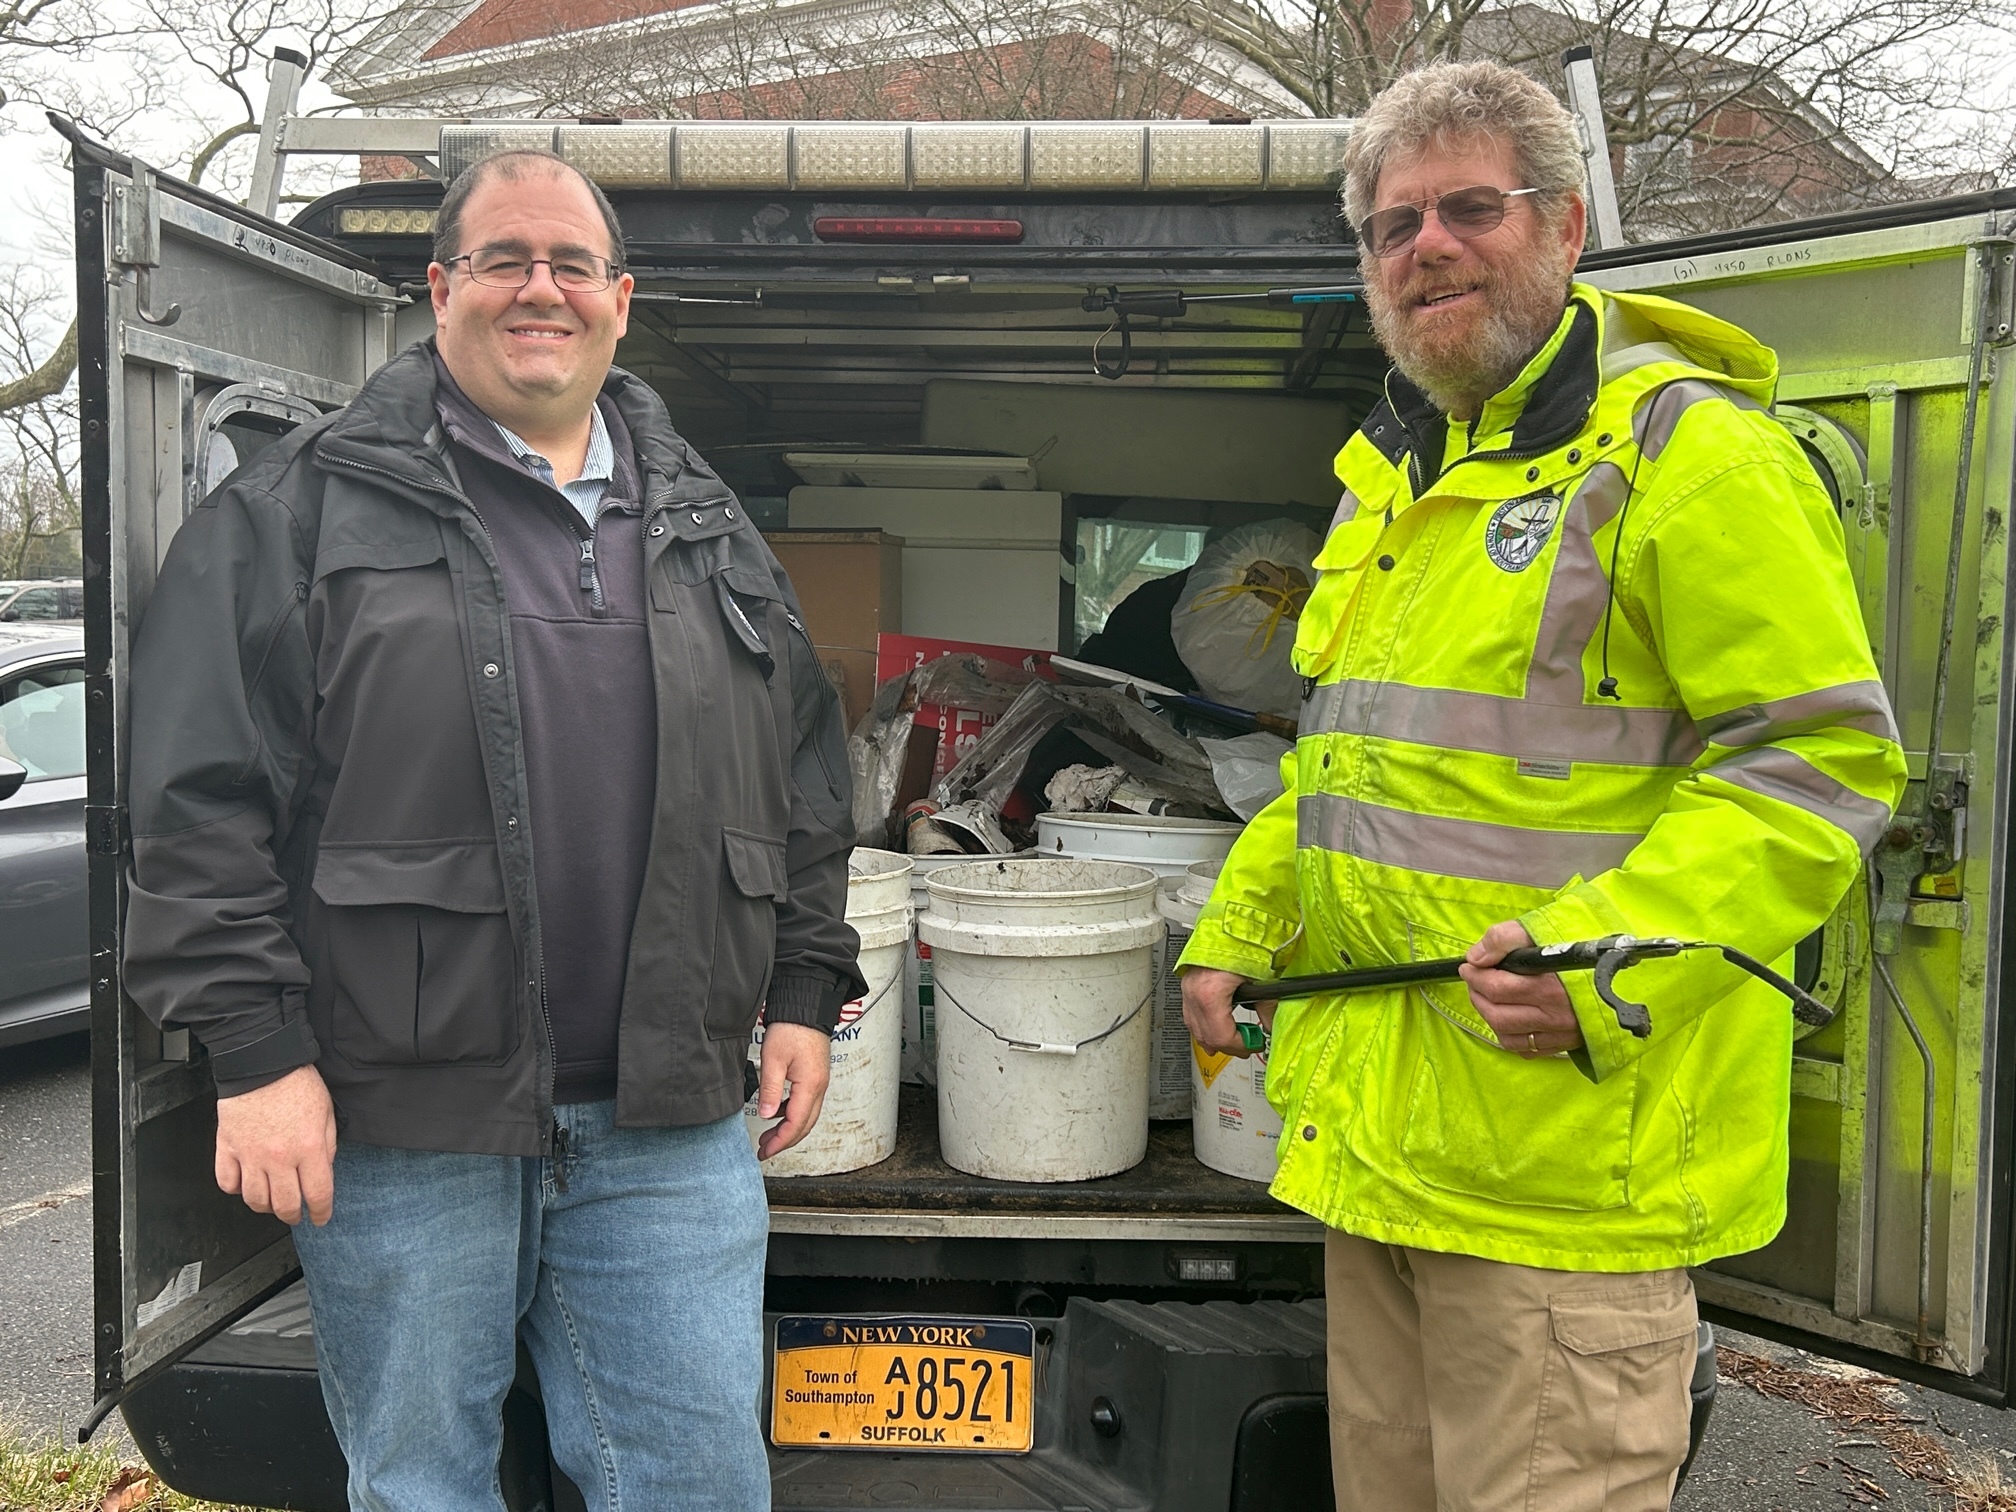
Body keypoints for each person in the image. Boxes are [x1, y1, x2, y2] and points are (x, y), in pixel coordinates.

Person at [1180, 61, 1906, 1511]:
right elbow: (1346, 767)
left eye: (1468, 208)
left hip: (1563, 1183)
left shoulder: (1689, 457)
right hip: (1384, 1154)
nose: (1426, 247)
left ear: (1566, 228)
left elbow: (1818, 763)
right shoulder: (1395, 483)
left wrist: (1609, 954)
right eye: (1393, 226)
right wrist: (1239, 926)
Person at [120, 148, 863, 1512]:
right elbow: (196, 803)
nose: (542, 290)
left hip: (669, 1119)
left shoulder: (709, 528)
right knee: (422, 1490)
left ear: (620, 300)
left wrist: (806, 984)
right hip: (405, 1120)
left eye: (571, 265)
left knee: (696, 1484)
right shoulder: (295, 514)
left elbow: (802, 772)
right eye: (504, 260)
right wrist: (254, 1052)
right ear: (439, 287)